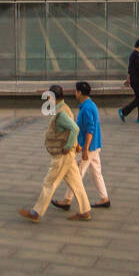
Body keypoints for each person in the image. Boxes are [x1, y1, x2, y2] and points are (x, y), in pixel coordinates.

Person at [19, 85, 92, 223]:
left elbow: (74, 128)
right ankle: (85, 211)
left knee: (49, 183)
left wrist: (70, 145)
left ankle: (36, 212)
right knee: (76, 183)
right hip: (67, 156)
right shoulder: (63, 109)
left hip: (62, 156)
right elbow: (71, 129)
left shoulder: (61, 113)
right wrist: (75, 145)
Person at [51, 81, 110, 211]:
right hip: (94, 146)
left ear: (80, 93)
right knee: (96, 173)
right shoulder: (89, 105)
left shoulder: (87, 108)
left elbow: (90, 129)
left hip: (89, 147)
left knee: (76, 174)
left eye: (76, 91)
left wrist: (85, 149)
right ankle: (104, 198)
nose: (75, 93)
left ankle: (67, 200)